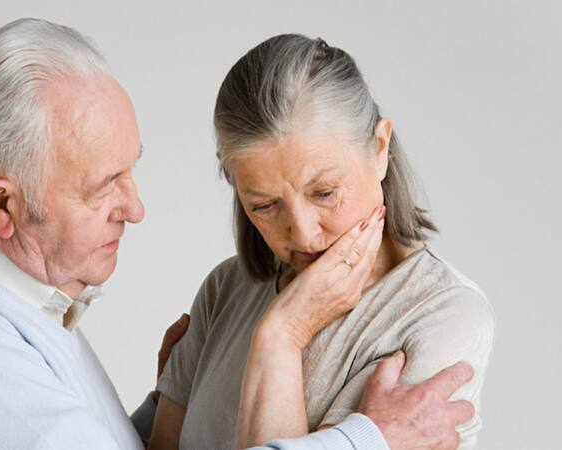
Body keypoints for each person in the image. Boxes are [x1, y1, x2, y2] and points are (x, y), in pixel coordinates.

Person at [0, 19, 476, 450]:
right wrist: (368, 439)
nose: (135, 209)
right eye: (105, 185)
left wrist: (173, 402)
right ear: (2, 207)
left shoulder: (3, 310)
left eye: (132, 171)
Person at [150, 35, 495, 449]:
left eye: (325, 193)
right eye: (264, 205)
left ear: (380, 149)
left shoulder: (443, 313)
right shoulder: (224, 291)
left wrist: (282, 335)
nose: (303, 234)